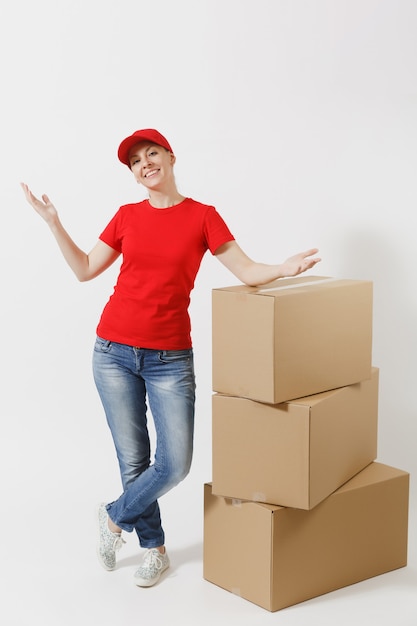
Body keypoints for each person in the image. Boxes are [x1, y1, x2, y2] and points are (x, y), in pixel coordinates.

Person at [21, 128, 321, 588]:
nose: (145, 164)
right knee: (134, 461)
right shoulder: (126, 216)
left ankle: (113, 516)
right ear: (134, 174)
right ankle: (155, 550)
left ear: (170, 157)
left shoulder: (203, 217)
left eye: (152, 153)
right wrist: (54, 223)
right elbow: (84, 270)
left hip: (170, 359)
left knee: (175, 463)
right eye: (136, 161)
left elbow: (245, 270)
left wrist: (282, 268)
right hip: (113, 352)